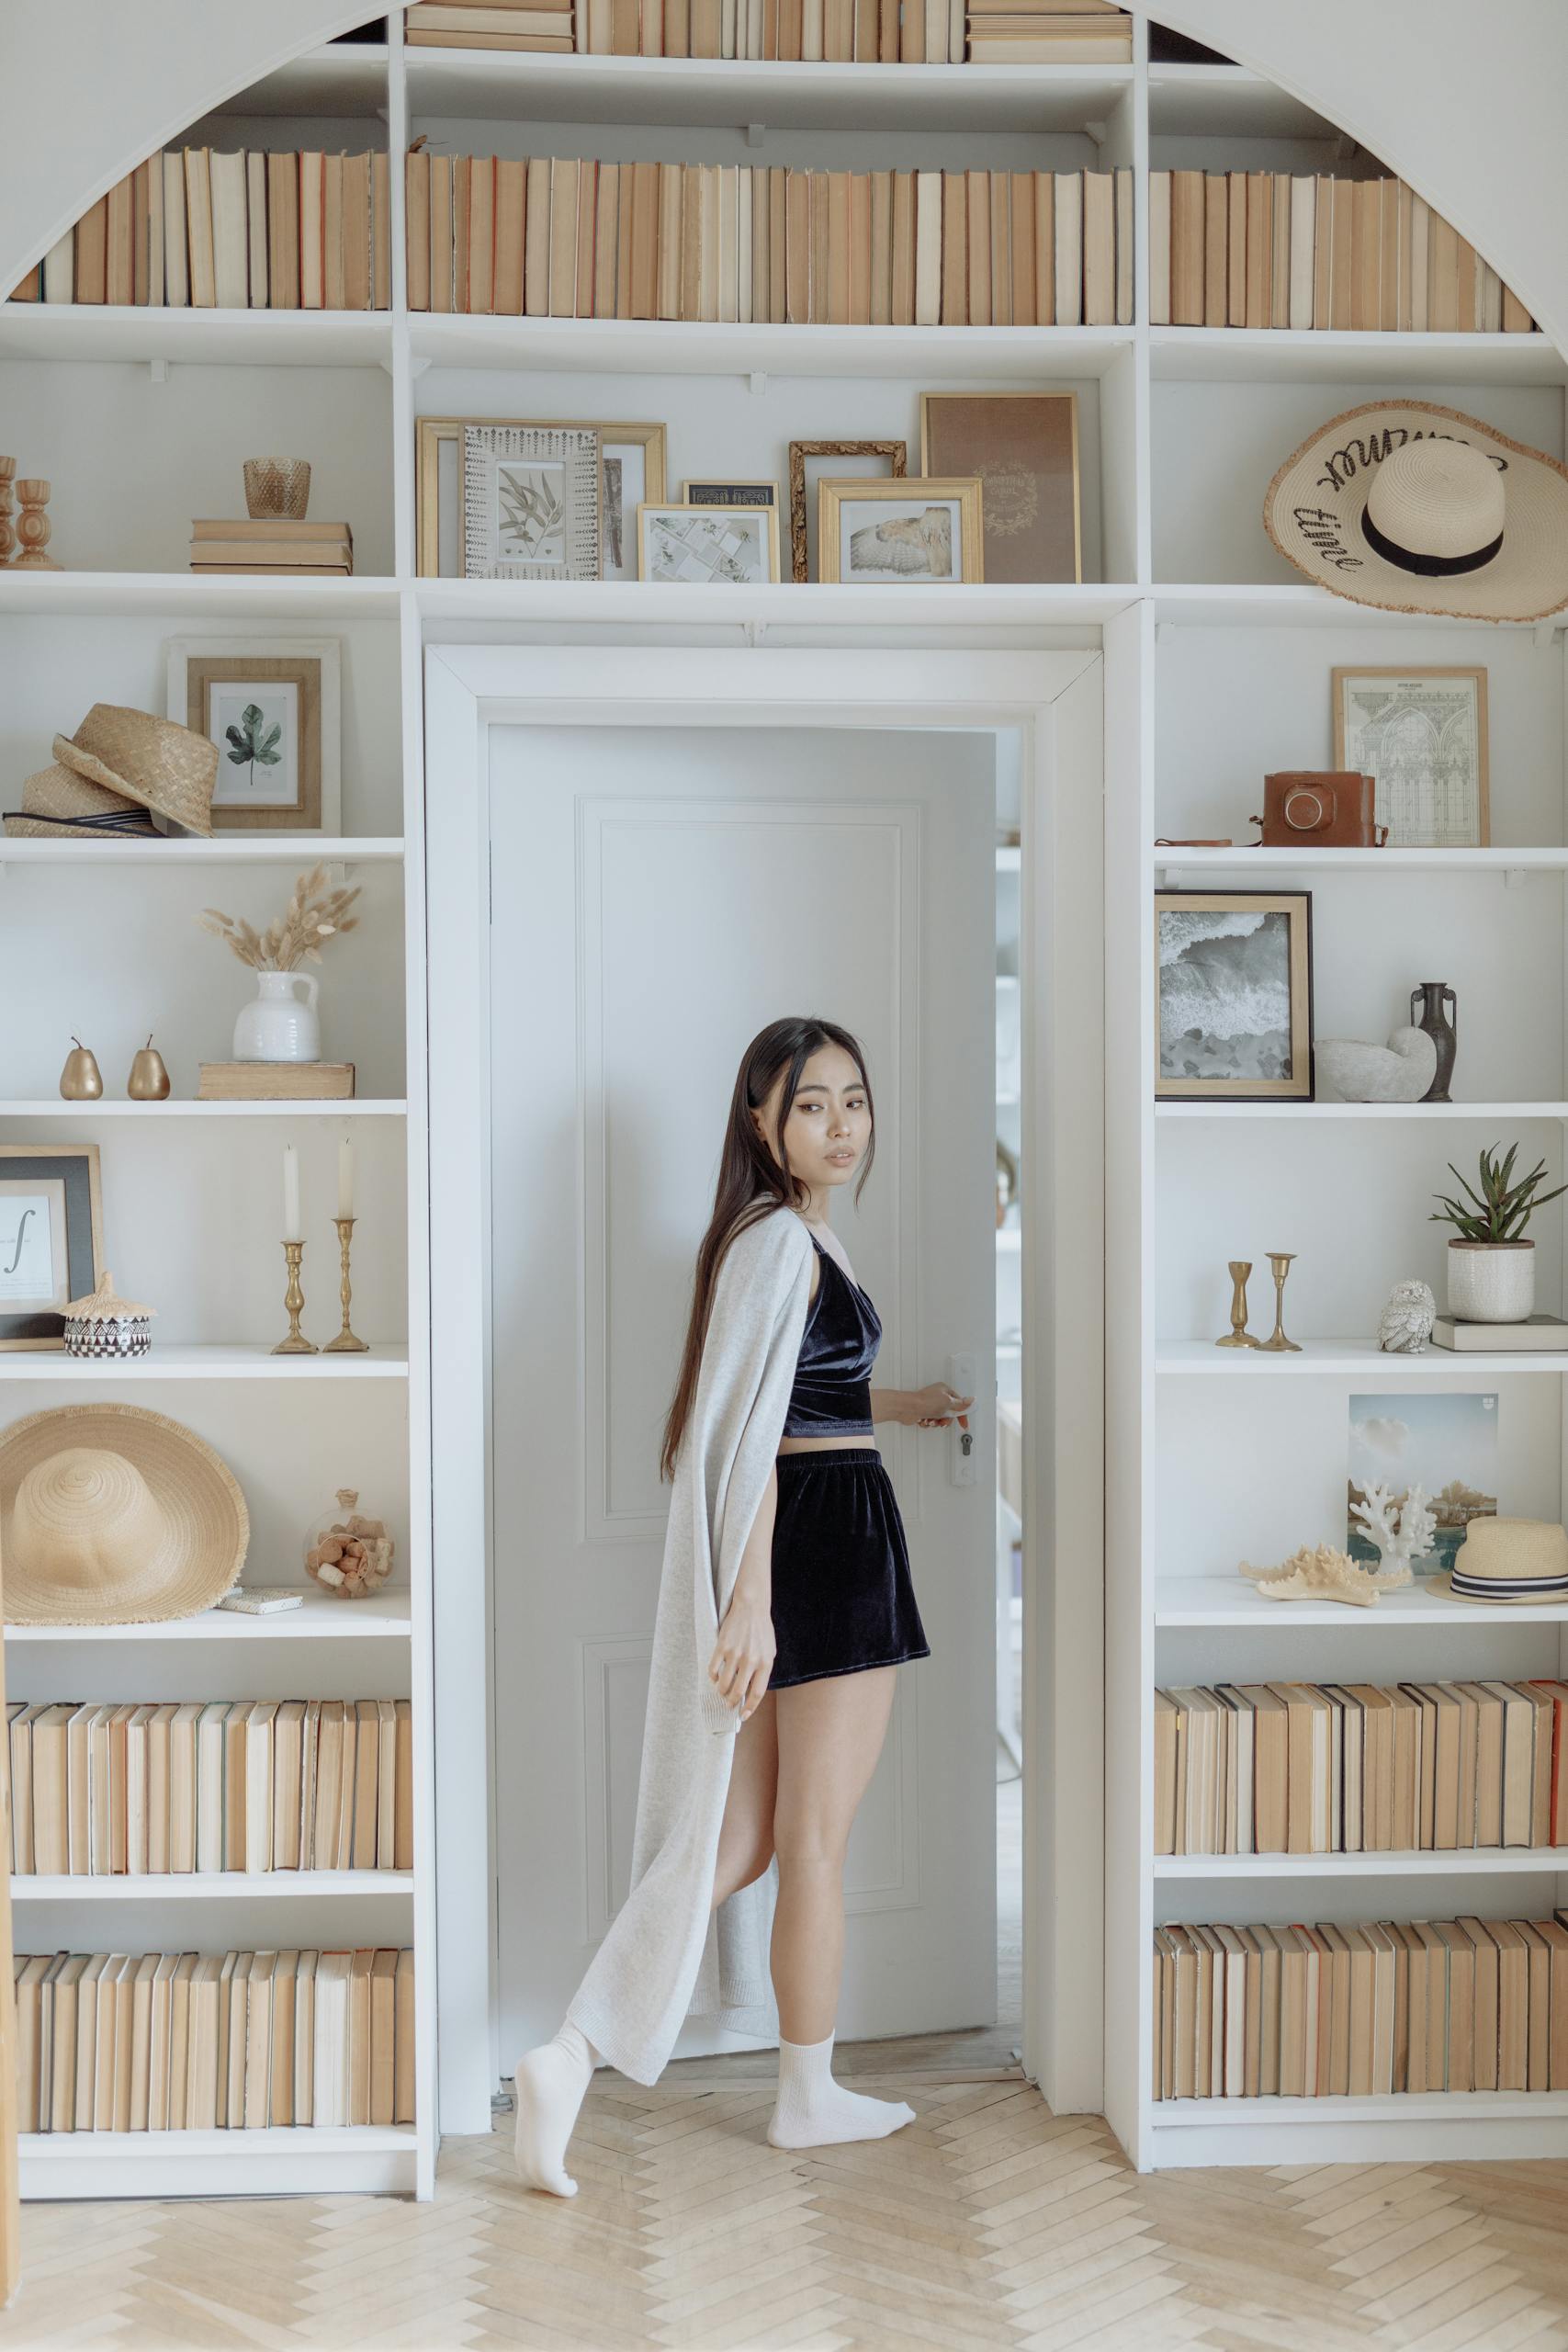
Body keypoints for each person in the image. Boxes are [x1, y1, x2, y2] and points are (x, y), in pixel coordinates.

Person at [511, 1014, 972, 2197]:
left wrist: (906, 1402)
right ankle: (807, 2096)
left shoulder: (785, 1236)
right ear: (761, 1123)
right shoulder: (776, 1241)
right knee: (813, 1845)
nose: (841, 1125)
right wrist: (750, 1604)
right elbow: (755, 1443)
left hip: (814, 1533)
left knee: (744, 1840)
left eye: (854, 1101)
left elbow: (797, 1390)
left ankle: (571, 2051)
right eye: (812, 1105)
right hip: (824, 1550)